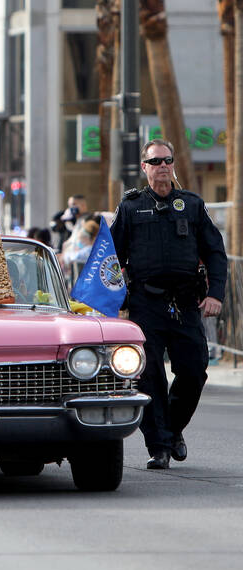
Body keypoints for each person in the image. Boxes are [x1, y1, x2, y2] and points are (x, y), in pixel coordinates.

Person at [110, 139, 227, 471]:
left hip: (186, 302)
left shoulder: (190, 205)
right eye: (155, 161)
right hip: (146, 302)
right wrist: (114, 303)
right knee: (149, 377)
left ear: (173, 165)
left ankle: (173, 430)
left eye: (167, 160)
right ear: (144, 167)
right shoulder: (131, 208)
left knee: (193, 371)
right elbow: (109, 260)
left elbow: (216, 253)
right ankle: (159, 445)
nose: (162, 166)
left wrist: (215, 294)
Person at [60, 218, 101, 286]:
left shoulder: (90, 250)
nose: (81, 240)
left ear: (92, 238)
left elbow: (73, 257)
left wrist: (64, 255)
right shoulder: (95, 249)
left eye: (84, 237)